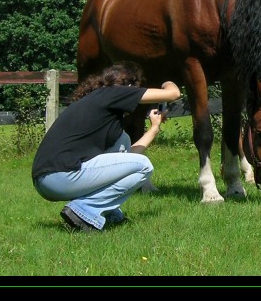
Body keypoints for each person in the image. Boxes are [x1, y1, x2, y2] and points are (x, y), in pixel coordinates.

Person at [31, 61, 181, 232]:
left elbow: (129, 158)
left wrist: (154, 128)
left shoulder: (100, 105)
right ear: (129, 85)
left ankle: (109, 215)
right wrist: (167, 81)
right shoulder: (113, 93)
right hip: (60, 176)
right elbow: (173, 93)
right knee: (144, 166)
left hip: (47, 180)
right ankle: (83, 210)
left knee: (124, 143)